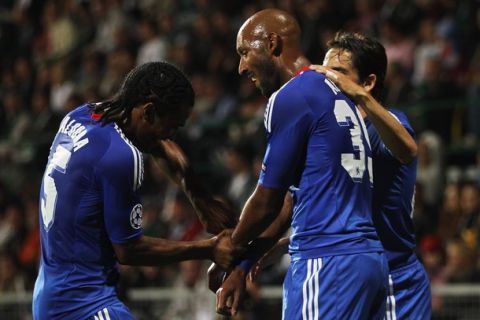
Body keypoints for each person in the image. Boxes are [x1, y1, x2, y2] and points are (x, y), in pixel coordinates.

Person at [32, 61, 241, 320]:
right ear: (149, 112)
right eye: (173, 125)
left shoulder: (84, 115)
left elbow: (160, 146)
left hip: (50, 293)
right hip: (83, 304)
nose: (171, 135)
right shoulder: (122, 157)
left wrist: (199, 199)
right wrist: (208, 248)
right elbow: (130, 250)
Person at [216, 9, 388, 319]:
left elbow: (267, 199)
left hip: (326, 261)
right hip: (367, 262)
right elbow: (289, 201)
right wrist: (243, 264)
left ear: (271, 43)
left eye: (244, 52)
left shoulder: (293, 95)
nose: (241, 66)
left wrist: (229, 250)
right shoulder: (340, 94)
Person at [252, 32, 432, 319]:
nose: (327, 78)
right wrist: (280, 246)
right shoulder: (330, 130)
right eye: (324, 69)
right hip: (354, 266)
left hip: (395, 279)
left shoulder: (389, 121)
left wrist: (358, 96)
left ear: (368, 82)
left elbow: (408, 149)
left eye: (337, 72)